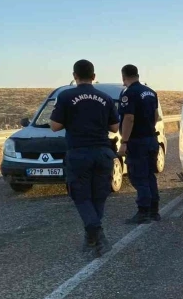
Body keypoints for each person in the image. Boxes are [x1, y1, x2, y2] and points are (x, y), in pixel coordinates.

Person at [50, 60, 119, 256]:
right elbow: (115, 127)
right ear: (94, 76)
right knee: (98, 196)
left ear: (74, 75)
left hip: (79, 153)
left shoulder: (65, 96)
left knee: (81, 197)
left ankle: (96, 234)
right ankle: (93, 237)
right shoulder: (105, 98)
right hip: (102, 152)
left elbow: (55, 126)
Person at [117, 64, 161, 223]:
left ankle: (143, 212)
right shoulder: (151, 92)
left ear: (123, 76)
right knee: (149, 175)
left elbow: (129, 118)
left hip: (137, 141)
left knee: (138, 176)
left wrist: (124, 141)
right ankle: (154, 211)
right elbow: (156, 116)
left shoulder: (129, 93)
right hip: (151, 139)